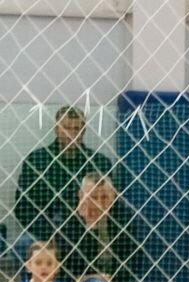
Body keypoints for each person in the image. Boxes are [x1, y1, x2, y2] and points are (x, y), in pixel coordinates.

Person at [12, 105, 113, 261]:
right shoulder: (36, 161)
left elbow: (108, 205)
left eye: (76, 129)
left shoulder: (99, 163)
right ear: (56, 130)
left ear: (83, 131)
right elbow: (22, 206)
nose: (71, 134)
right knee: (23, 243)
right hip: (43, 231)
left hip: (84, 232)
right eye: (66, 128)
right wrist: (48, 233)